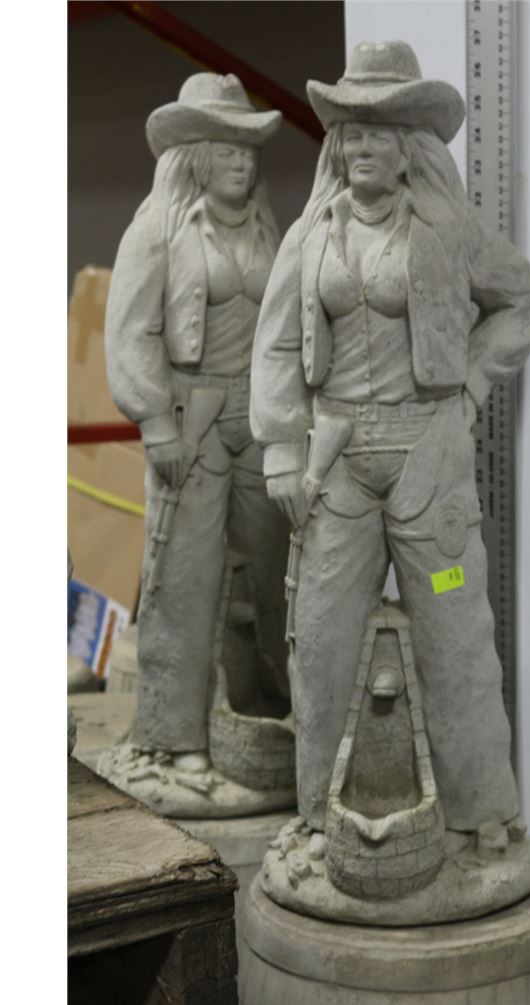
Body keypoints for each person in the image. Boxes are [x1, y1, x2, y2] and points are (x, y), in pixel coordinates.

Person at [251, 41, 530, 834]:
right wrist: (280, 447)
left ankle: (483, 819)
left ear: (409, 144)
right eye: (351, 132)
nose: (361, 146)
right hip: (337, 465)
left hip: (428, 461)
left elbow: (521, 299)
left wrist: (474, 382)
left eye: (378, 132)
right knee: (320, 640)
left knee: (454, 634)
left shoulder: (447, 231)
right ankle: (316, 822)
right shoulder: (311, 236)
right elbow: (276, 344)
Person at [105, 73, 290, 773]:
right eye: (226, 149)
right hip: (192, 418)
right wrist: (155, 422)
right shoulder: (158, 230)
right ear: (196, 157)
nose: (241, 162)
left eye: (247, 150)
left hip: (258, 417)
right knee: (184, 579)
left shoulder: (268, 228)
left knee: (274, 570)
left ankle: (270, 718)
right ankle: (174, 736)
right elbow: (130, 333)